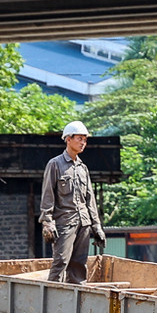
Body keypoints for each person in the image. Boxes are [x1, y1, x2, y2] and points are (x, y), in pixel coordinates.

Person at [39, 120, 106, 284]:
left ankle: (78, 302)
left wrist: (96, 226)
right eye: (79, 138)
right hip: (64, 223)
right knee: (61, 261)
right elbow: (48, 195)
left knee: (79, 264)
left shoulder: (83, 168)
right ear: (68, 139)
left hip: (84, 223)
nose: (83, 142)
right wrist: (47, 222)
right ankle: (54, 300)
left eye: (85, 139)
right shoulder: (55, 165)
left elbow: (90, 200)